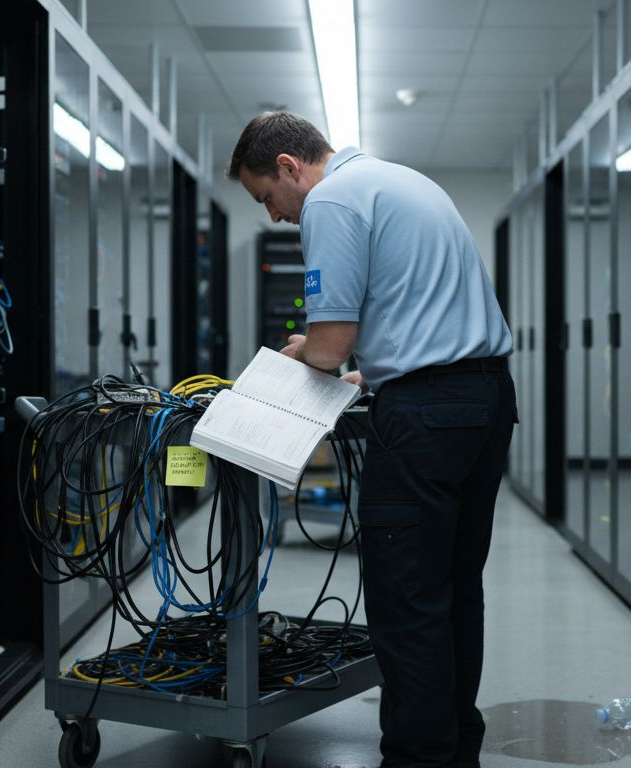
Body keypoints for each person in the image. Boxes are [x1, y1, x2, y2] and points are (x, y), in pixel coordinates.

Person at [226, 112, 517, 768]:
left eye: (267, 198)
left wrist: (305, 352)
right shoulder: (401, 181)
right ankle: (452, 751)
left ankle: (417, 759)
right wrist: (372, 366)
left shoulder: (331, 200)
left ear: (288, 168)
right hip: (484, 402)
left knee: (407, 601)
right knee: (451, 592)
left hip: (426, 420)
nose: (275, 217)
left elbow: (327, 348)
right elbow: (415, 311)